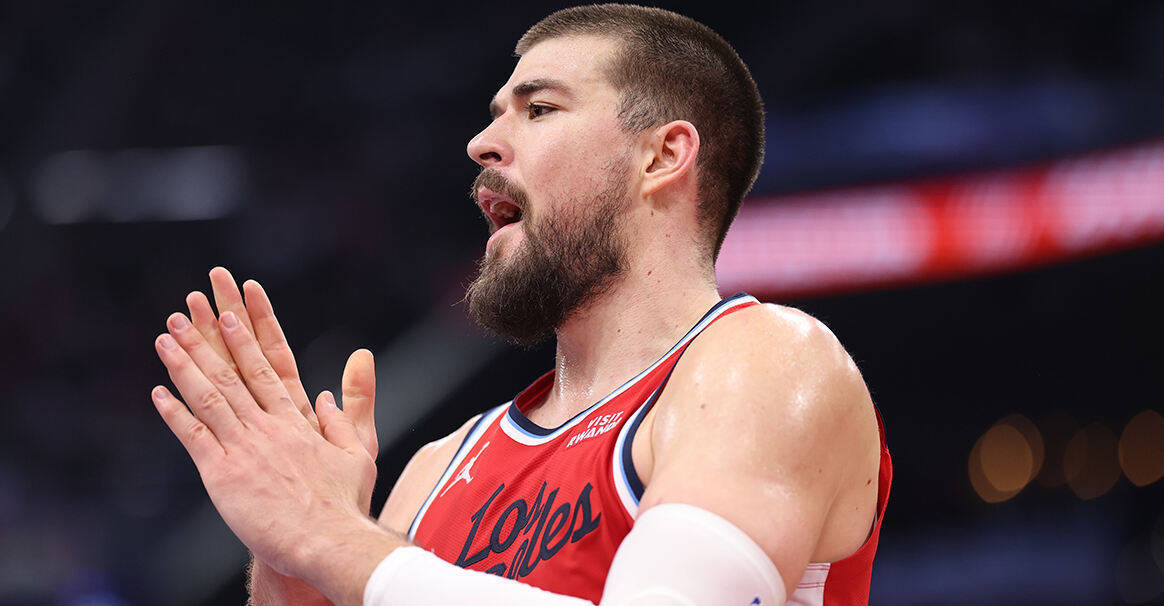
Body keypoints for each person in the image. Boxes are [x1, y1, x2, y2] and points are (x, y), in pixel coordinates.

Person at [151, 5, 890, 606]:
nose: (481, 143)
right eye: (495, 114)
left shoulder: (768, 362)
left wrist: (329, 537)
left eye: (539, 109)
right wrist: (288, 555)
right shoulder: (438, 468)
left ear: (663, 156)